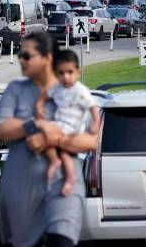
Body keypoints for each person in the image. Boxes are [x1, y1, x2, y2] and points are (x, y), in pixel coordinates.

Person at [0, 32, 99, 247]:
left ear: (48, 59)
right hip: (23, 184)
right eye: (21, 55)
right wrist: (35, 126)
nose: (21, 61)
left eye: (27, 55)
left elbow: (91, 140)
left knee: (61, 246)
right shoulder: (16, 91)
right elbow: (1, 128)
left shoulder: (73, 91)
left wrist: (54, 139)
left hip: (62, 186)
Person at [35, 50, 100, 197]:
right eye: (61, 73)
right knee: (63, 152)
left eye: (70, 72)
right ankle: (62, 169)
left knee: (47, 135)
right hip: (60, 124)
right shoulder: (57, 88)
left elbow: (93, 109)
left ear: (78, 72)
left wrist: (95, 124)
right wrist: (39, 105)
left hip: (73, 126)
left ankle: (61, 168)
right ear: (56, 74)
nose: (66, 77)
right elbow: (45, 94)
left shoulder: (80, 91)